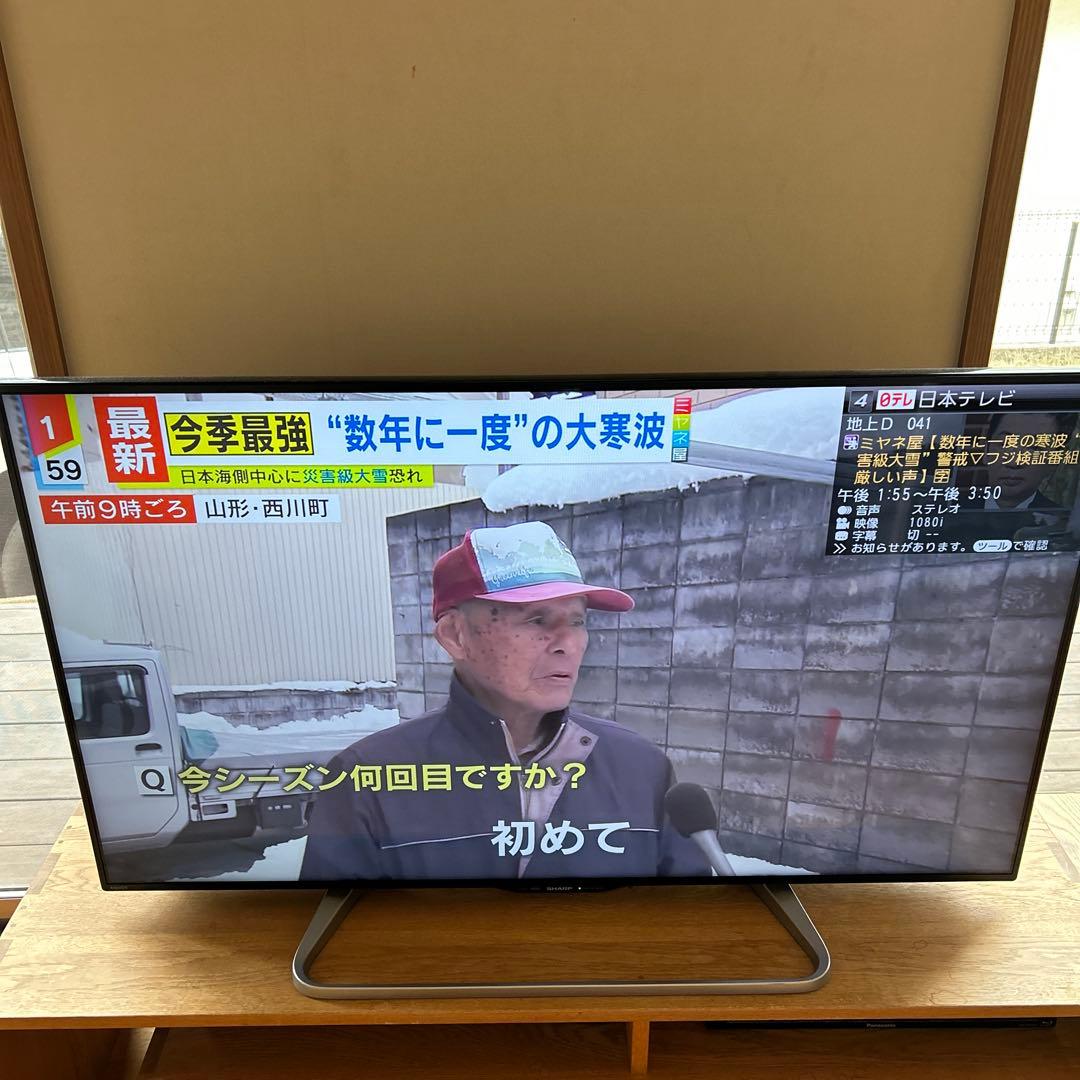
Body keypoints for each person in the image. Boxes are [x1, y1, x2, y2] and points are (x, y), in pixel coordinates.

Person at [301, 520, 712, 881]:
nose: (568, 644)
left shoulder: (643, 768)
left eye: (577, 621)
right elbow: (336, 931)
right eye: (537, 619)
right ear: (456, 636)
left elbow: (688, 922)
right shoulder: (366, 780)